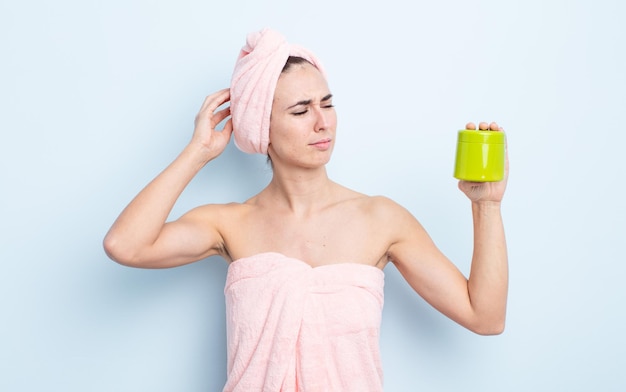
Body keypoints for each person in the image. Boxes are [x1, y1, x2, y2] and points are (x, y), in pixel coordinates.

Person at [103, 28, 508, 392]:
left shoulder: (381, 219)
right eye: (300, 111)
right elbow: (125, 245)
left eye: (327, 105)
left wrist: (487, 205)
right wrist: (197, 153)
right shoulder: (229, 223)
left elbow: (485, 317)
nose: (322, 123)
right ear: (261, 127)